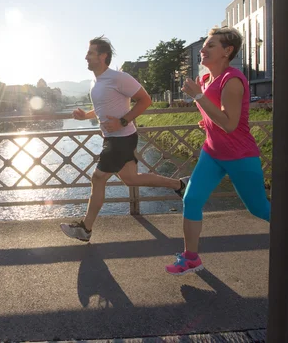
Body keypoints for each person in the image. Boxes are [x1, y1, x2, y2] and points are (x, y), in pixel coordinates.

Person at [60, 36, 188, 242]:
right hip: (115, 138)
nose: (85, 57)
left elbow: (145, 100)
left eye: (90, 53)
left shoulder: (118, 77)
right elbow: (103, 108)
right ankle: (179, 185)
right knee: (131, 179)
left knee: (98, 178)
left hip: (120, 138)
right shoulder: (97, 81)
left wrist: (123, 121)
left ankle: (86, 228)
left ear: (103, 56)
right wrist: (86, 116)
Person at [165, 27, 271, 275]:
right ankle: (191, 258)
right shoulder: (204, 79)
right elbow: (214, 116)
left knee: (259, 209)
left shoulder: (232, 80)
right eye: (204, 45)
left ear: (227, 51)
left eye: (210, 45)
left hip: (240, 155)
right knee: (191, 200)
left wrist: (199, 97)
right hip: (212, 153)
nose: (203, 49)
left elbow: (229, 124)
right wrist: (205, 119)